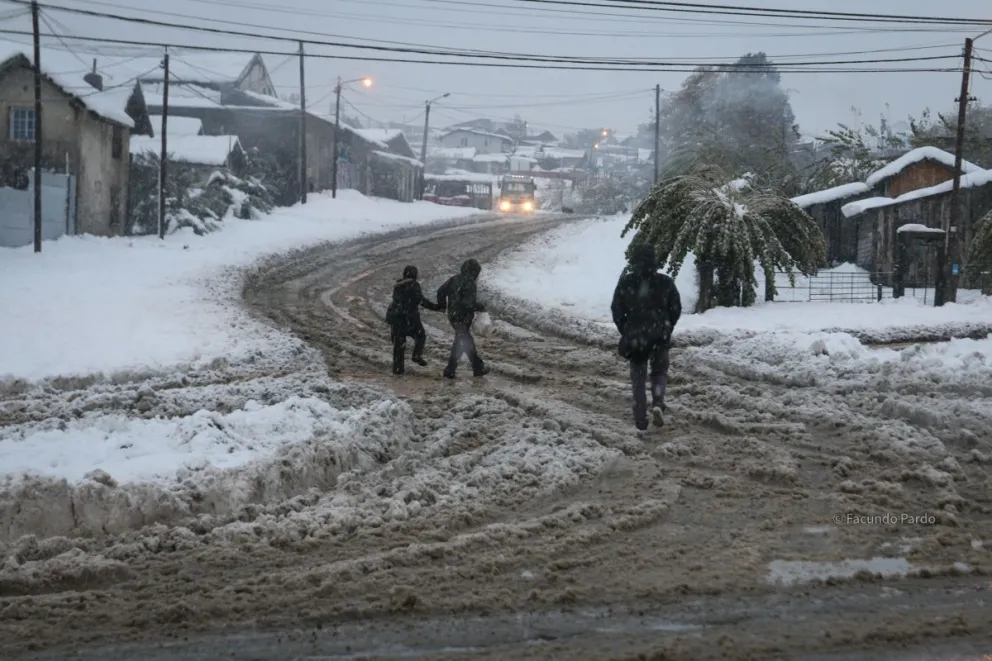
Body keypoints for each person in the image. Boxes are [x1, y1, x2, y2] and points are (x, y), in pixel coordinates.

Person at [611, 243, 682, 431]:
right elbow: (676, 308)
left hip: (636, 337)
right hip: (660, 335)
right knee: (659, 372)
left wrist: (626, 328)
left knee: (638, 379)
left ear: (634, 261)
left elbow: (616, 309)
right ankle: (658, 403)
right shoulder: (666, 282)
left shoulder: (626, 282)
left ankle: (640, 420)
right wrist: (667, 327)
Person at [436, 258, 490, 379]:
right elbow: (468, 304)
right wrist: (480, 306)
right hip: (463, 317)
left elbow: (440, 291)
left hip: (453, 315)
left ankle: (454, 369)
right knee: (465, 341)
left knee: (462, 341)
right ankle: (476, 367)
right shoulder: (470, 283)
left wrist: (443, 306)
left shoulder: (454, 279)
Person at [386, 265, 442, 375]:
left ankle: (398, 371)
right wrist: (436, 307)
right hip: (410, 319)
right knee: (421, 336)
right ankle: (416, 355)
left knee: (398, 346)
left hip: (397, 319)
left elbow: (398, 300)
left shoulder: (397, 285)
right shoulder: (414, 285)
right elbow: (421, 301)